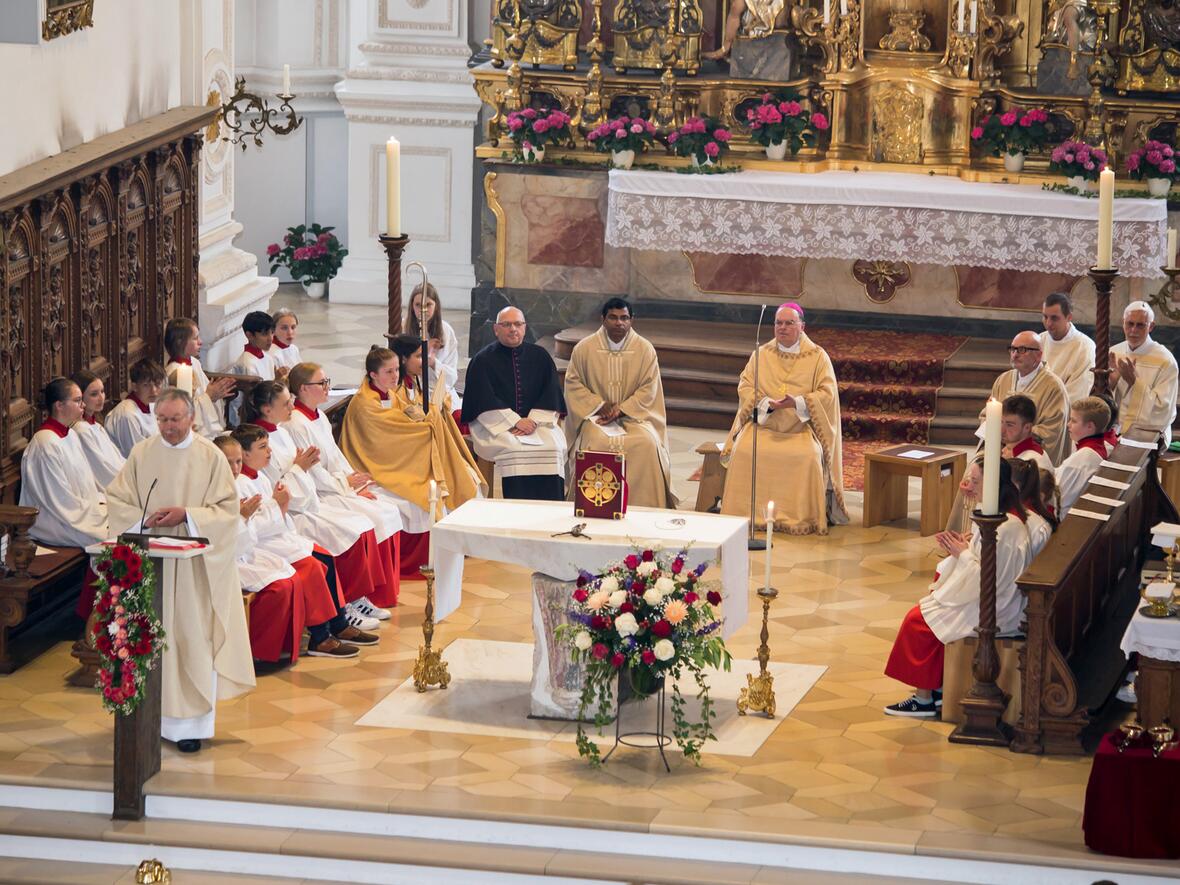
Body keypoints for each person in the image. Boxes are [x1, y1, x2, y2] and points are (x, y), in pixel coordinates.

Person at [105, 389, 255, 753]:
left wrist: (187, 515)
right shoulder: (143, 453)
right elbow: (118, 499)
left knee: (191, 640)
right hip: (152, 564)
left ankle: (189, 726)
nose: (168, 427)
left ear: (191, 418)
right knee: (154, 641)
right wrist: (145, 520)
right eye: (162, 420)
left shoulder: (210, 457)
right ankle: (151, 719)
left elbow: (226, 510)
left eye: (175, 420)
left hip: (194, 571)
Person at [883, 458, 1034, 717]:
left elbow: (988, 578)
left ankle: (924, 699)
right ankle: (939, 688)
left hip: (996, 607)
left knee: (918, 623)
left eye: (975, 481)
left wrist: (962, 553)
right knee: (929, 605)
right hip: (988, 597)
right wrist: (969, 544)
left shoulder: (1006, 527)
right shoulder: (999, 515)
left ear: (992, 485)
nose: (968, 486)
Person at [240, 382, 396, 628]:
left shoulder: (280, 431)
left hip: (305, 501)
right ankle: (347, 607)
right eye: (285, 402)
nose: (292, 405)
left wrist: (305, 470)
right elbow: (277, 486)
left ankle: (355, 599)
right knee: (347, 533)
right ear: (267, 409)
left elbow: (309, 467)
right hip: (291, 513)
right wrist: (299, 468)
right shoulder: (258, 441)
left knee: (362, 525)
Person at [298, 357, 456, 581]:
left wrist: (352, 482)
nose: (328, 388)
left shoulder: (320, 416)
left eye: (396, 370)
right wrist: (348, 485)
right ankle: (373, 584)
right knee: (392, 510)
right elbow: (315, 470)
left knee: (409, 503)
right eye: (322, 383)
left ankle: (388, 581)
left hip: (351, 477)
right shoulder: (300, 423)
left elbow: (335, 457)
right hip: (334, 487)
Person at [221, 431, 377, 658]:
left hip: (276, 536)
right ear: (246, 454)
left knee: (325, 557)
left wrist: (278, 507)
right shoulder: (239, 485)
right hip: (261, 544)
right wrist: (278, 507)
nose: (269, 451)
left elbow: (269, 513)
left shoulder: (260, 477)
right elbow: (252, 528)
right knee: (313, 567)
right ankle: (321, 637)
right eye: (263, 446)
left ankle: (338, 624)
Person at [720, 303, 848, 535]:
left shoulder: (818, 356)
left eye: (789, 323)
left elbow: (827, 394)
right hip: (764, 426)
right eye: (779, 323)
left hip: (800, 429)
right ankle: (744, 515)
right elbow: (746, 385)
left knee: (808, 457)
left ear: (802, 326)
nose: (783, 328)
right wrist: (765, 403)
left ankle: (800, 518)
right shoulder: (762, 353)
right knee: (743, 451)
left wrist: (798, 402)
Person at [563, 298, 676, 509]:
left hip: (635, 418)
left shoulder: (645, 349)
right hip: (597, 419)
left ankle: (646, 507)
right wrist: (599, 405)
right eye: (613, 318)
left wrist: (622, 409)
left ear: (632, 320)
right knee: (595, 445)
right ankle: (595, 507)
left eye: (624, 318)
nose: (619, 323)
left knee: (647, 445)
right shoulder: (584, 349)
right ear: (603, 319)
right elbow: (573, 383)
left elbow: (649, 388)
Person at [461, 307, 567, 500]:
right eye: (506, 324)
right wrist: (514, 421)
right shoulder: (482, 360)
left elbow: (550, 392)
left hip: (537, 424)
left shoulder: (541, 357)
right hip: (496, 426)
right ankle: (515, 508)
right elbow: (482, 399)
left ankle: (552, 509)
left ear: (525, 328)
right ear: (496, 329)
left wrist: (533, 421)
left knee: (552, 446)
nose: (513, 329)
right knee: (513, 448)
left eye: (518, 324)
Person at [985, 331, 1071, 466]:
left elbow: (1051, 430)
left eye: (1022, 350)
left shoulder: (1053, 387)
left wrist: (1014, 443)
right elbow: (987, 414)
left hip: (1030, 459)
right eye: (1012, 349)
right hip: (999, 451)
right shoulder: (1003, 379)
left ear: (1038, 354)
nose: (1015, 354)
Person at [1111, 301, 1178, 444]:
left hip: (1148, 433)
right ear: (1123, 323)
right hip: (1113, 428)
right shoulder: (1114, 352)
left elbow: (1162, 409)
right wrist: (1110, 383)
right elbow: (1097, 399)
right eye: (1130, 324)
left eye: (1140, 325)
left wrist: (1135, 383)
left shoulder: (1166, 361)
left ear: (1151, 326)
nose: (1133, 330)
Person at [164, 318, 235, 438]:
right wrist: (209, 396)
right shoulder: (174, 373)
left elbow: (205, 394)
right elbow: (183, 414)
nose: (200, 342)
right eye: (195, 338)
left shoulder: (194, 363)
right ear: (180, 342)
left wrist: (216, 394)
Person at [1056, 396, 1115, 518]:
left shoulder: (1081, 461)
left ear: (1090, 426)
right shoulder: (1099, 447)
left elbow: (1058, 500)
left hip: (1065, 520)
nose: (1068, 424)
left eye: (1073, 421)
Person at [70, 369, 126, 488]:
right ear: (80, 398)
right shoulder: (81, 430)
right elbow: (102, 469)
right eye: (94, 394)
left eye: (102, 391)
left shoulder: (96, 425)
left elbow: (117, 459)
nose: (101, 398)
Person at [1039, 292, 1096, 404]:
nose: (1048, 323)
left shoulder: (1084, 347)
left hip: (1065, 413)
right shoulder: (1039, 340)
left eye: (1054, 318)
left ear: (1069, 317)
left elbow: (1078, 393)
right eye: (1045, 317)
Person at [406, 283, 460, 401]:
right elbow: (392, 363)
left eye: (428, 305)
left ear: (436, 306)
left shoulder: (446, 330)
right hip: (409, 391)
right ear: (411, 306)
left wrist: (434, 363)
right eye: (418, 305)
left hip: (439, 391)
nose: (423, 310)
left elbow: (452, 377)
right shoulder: (402, 327)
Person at [105, 359, 164, 457]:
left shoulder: (150, 404)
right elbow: (135, 455)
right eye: (146, 385)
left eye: (157, 384)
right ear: (134, 386)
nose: (154, 391)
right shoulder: (127, 415)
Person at [1001, 394, 1054, 473]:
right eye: (1001, 422)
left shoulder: (1034, 462)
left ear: (1027, 427)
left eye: (1009, 425)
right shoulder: (1005, 451)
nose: (1002, 430)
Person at [269, 308, 303, 374]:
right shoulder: (271, 355)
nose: (290, 332)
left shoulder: (294, 348)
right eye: (284, 328)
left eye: (293, 327)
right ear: (273, 330)